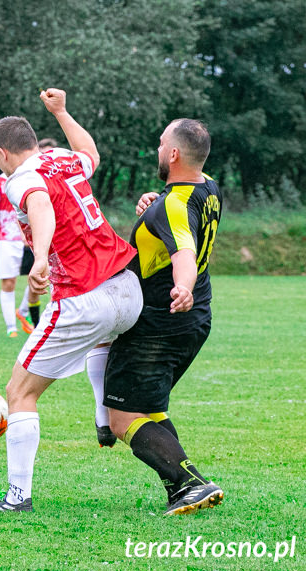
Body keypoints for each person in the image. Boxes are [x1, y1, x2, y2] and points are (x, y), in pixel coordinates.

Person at [0, 88, 143, 512]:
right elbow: (90, 153)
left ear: (2, 153)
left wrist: (42, 257)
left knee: (19, 392)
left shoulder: (19, 179)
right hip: (128, 287)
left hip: (84, 297)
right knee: (103, 341)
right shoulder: (64, 159)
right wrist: (62, 112)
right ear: (33, 141)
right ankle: (104, 420)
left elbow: (40, 205)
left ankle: (18, 497)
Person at [104, 119, 224, 516]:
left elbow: (183, 252)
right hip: (194, 321)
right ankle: (187, 485)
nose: (158, 150)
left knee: (122, 417)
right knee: (150, 409)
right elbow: (176, 217)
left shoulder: (170, 205)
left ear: (173, 154)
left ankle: (188, 484)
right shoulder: (207, 187)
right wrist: (150, 206)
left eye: (160, 144)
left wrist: (183, 286)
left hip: (161, 320)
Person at [0, 172, 35, 337]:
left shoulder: (31, 176)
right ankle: (11, 327)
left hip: (31, 238)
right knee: (9, 282)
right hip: (7, 240)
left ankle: (23, 312)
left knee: (38, 278)